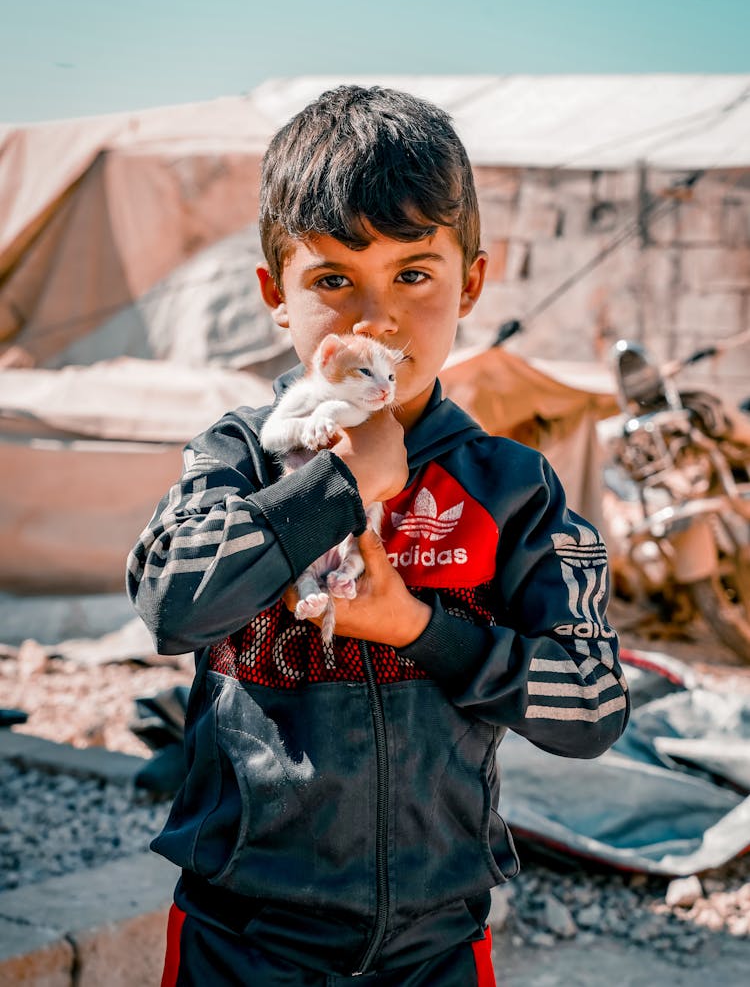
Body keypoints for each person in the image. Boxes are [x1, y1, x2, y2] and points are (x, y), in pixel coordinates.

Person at [127, 85, 630, 987]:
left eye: (413, 274)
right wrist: (340, 485)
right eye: (332, 280)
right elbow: (171, 606)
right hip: (241, 937)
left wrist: (421, 631)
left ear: (470, 281)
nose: (375, 320)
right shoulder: (238, 457)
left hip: (433, 944)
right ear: (275, 296)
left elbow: (593, 707)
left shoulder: (512, 489)